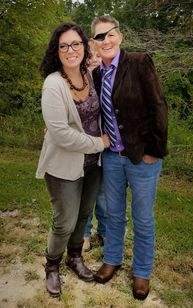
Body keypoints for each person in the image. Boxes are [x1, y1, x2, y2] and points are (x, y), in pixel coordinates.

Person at [91, 15, 168, 300]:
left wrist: (153, 152)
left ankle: (142, 272)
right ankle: (112, 259)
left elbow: (159, 107)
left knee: (143, 217)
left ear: (119, 36)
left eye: (109, 34)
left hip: (142, 158)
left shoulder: (138, 62)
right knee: (113, 214)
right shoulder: (97, 74)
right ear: (95, 44)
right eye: (99, 37)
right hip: (112, 158)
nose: (105, 41)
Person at [36, 22, 110, 297]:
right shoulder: (53, 84)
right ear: (56, 51)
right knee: (64, 221)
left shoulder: (88, 75)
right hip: (63, 165)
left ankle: (75, 257)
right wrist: (98, 143)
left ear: (83, 46)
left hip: (92, 165)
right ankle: (52, 266)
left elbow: (109, 53)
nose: (70, 50)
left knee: (82, 216)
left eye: (75, 43)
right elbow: (61, 134)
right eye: (63, 45)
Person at [83, 40, 107, 252]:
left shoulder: (107, 79)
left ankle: (105, 232)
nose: (93, 60)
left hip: (105, 149)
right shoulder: (78, 80)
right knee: (85, 195)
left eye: (98, 56)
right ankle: (84, 234)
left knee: (104, 196)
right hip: (83, 147)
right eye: (89, 56)